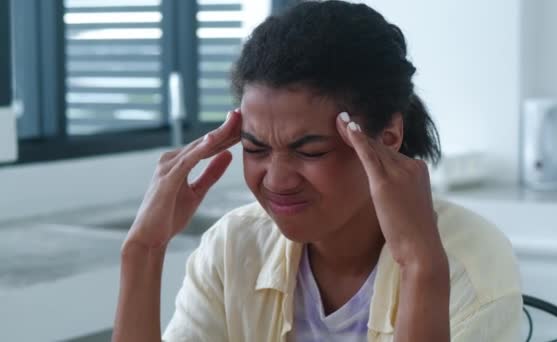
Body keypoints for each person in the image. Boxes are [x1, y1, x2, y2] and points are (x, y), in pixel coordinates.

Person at [112, 1, 522, 341]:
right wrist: (143, 250)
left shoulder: (470, 264)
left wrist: (421, 268)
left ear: (389, 135)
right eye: (255, 148)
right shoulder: (233, 247)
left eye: (310, 151)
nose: (277, 180)